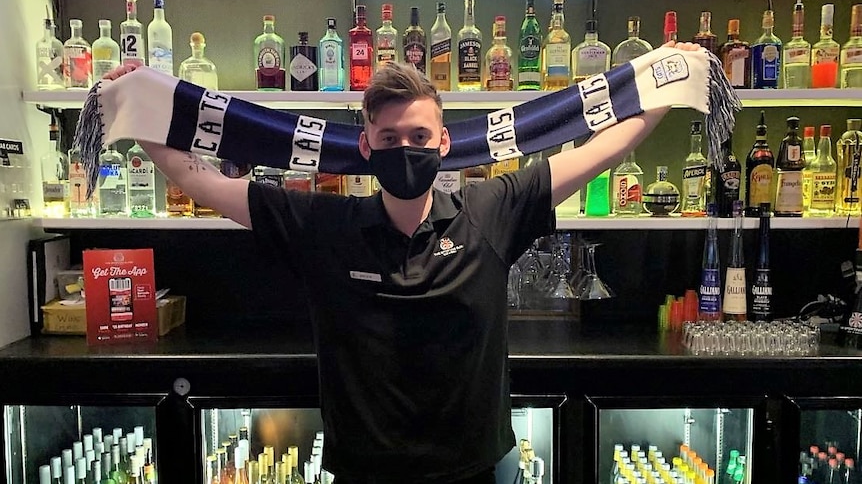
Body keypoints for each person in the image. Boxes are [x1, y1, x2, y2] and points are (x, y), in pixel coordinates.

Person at [103, 41, 701, 484]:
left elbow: (606, 146)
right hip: (364, 471)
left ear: (444, 144)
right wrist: (138, 104)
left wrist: (666, 84)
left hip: (477, 470)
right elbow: (195, 178)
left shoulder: (490, 210)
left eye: (419, 137)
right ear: (366, 148)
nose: (405, 149)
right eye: (389, 140)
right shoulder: (323, 225)